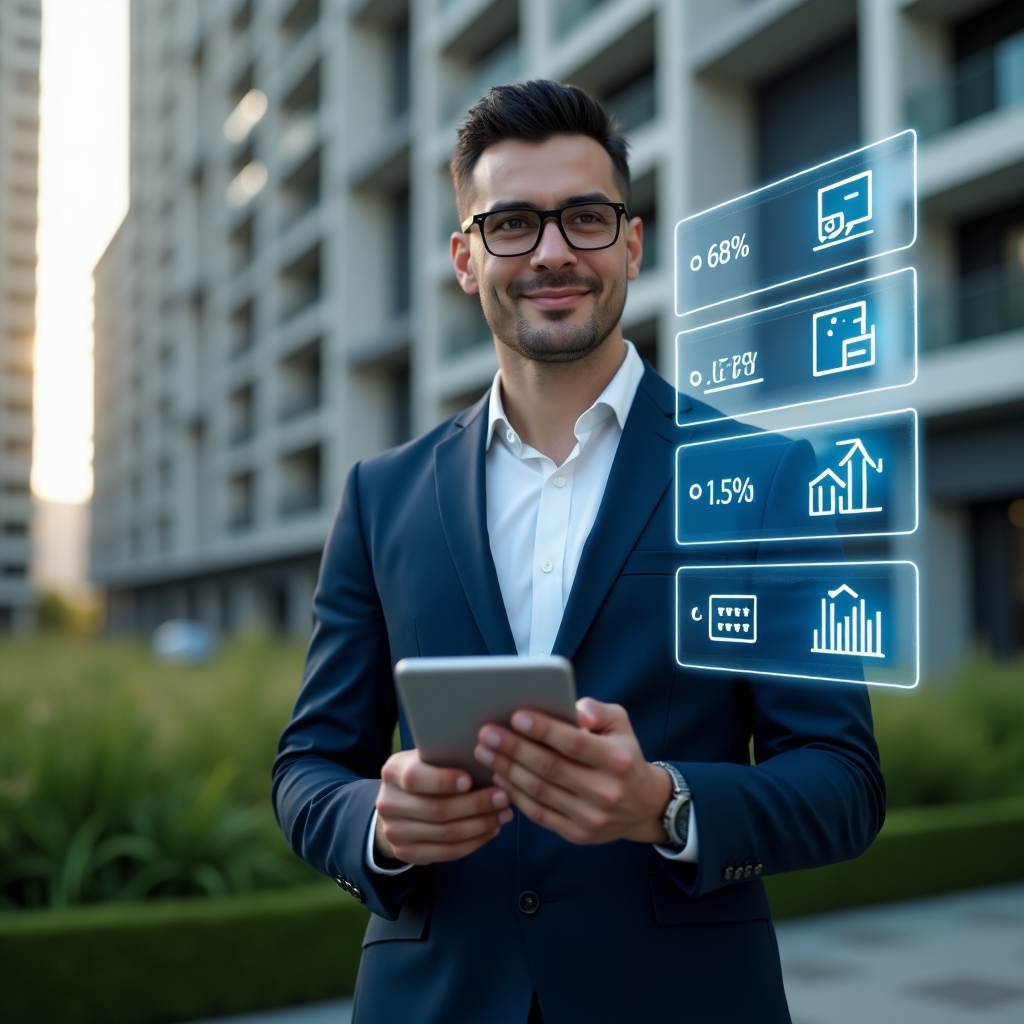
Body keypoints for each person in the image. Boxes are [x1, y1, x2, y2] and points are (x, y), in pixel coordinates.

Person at [273, 80, 885, 1024]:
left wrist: (666, 804)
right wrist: (379, 826)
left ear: (631, 244)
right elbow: (310, 765)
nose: (553, 251)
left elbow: (844, 781)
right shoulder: (379, 495)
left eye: (586, 218)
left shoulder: (767, 477)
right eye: (511, 222)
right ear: (465, 259)